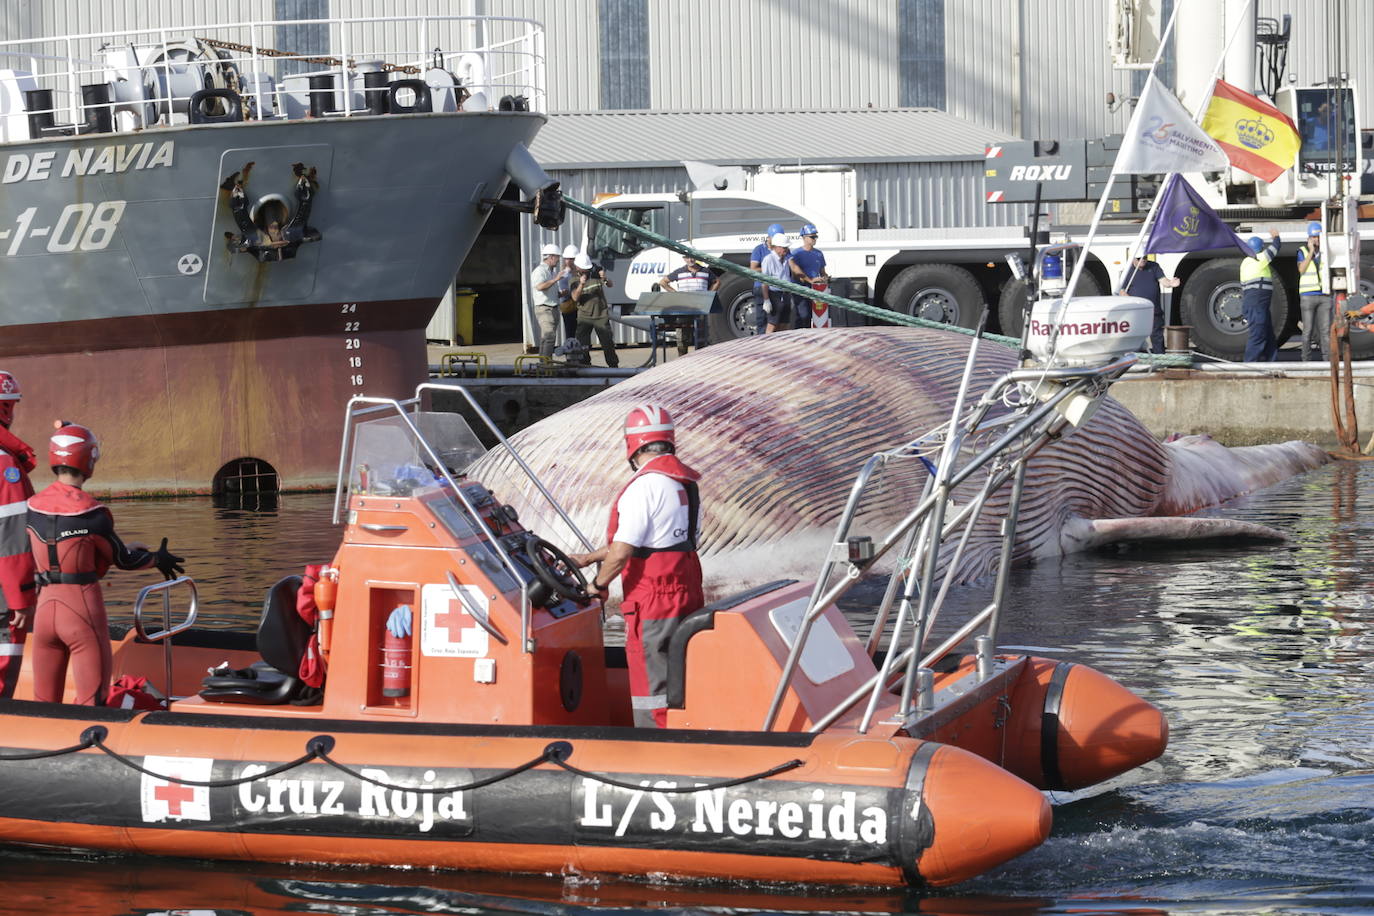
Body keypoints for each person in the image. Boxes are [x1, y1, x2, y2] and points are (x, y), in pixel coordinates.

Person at [26, 422, 183, 705]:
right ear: (90, 459)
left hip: (44, 610)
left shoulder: (32, 507)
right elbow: (123, 559)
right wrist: (158, 559)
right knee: (92, 702)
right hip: (81, 611)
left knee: (43, 705)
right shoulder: (92, 514)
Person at [569, 405, 702, 727]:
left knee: (650, 683)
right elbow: (658, 541)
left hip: (653, 600)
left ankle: (653, 746)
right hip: (685, 591)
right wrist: (588, 558)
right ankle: (683, 735)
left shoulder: (644, 487)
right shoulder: (682, 483)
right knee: (679, 673)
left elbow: (623, 551)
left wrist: (597, 585)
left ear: (632, 446)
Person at [0, 370, 36, 698]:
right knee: (3, 666)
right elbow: (11, 538)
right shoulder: (5, 466)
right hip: (3, 593)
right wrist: (20, 598)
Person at [1117, 253, 1180, 354]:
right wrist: (1133, 301)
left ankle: (1160, 359)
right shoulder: (1127, 271)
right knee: (1136, 336)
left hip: (1154, 310)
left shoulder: (1154, 266)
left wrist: (1171, 283)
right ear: (1133, 259)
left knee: (1157, 336)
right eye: (1139, 258)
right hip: (1137, 312)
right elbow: (1121, 291)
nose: (1143, 260)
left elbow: (1164, 281)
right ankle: (1135, 359)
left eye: (1145, 257)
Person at [660, 254, 718, 354]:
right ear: (684, 259)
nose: (690, 259)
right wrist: (676, 294)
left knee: (702, 335)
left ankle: (702, 358)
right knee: (683, 336)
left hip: (701, 308)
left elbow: (717, 282)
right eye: (687, 257)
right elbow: (663, 282)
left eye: (692, 257)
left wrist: (709, 294)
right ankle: (682, 357)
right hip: (684, 308)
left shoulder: (705, 271)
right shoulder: (679, 272)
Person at [571, 252, 619, 368]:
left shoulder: (595, 274)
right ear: (577, 267)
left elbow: (610, 285)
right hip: (584, 317)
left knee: (607, 343)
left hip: (601, 315)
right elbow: (575, 298)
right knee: (582, 344)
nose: (586, 271)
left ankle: (613, 366)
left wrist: (605, 278)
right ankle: (584, 366)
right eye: (583, 269)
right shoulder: (574, 280)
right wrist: (581, 285)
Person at [1240, 230, 1281, 362]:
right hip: (1257, 304)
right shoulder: (1259, 258)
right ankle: (1250, 366)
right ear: (1260, 248)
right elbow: (1276, 247)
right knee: (1258, 334)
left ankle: (1271, 363)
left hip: (1255, 303)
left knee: (1268, 334)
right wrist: (1276, 236)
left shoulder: (1245, 262)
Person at [1296, 221, 1331, 362]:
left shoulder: (1326, 251)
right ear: (1309, 238)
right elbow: (1301, 269)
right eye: (1313, 237)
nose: (1316, 240)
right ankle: (1306, 360)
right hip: (1308, 297)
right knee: (1308, 331)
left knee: (1325, 331)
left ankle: (1327, 360)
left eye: (1318, 237)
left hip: (1324, 296)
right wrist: (1310, 251)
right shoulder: (1302, 251)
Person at [789, 223, 830, 329]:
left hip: (816, 289)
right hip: (801, 288)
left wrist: (825, 278)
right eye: (812, 237)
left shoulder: (819, 254)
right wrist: (809, 280)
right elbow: (795, 273)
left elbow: (822, 271)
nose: (814, 239)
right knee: (803, 315)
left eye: (816, 236)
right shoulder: (796, 254)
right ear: (804, 237)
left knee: (815, 316)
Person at [530, 242, 567, 358]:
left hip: (552, 308)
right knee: (549, 336)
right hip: (544, 308)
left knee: (546, 337)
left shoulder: (551, 272)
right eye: (557, 258)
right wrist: (556, 279)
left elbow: (549, 291)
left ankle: (543, 364)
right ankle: (546, 365)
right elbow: (540, 287)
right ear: (551, 257)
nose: (558, 260)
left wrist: (560, 294)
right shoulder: (540, 271)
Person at [749, 223, 786, 334]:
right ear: (769, 237)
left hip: (777, 290)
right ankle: (761, 344)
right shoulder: (759, 250)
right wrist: (769, 269)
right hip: (761, 287)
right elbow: (753, 269)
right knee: (763, 320)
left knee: (778, 320)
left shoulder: (783, 250)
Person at [759, 232, 794, 333]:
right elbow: (764, 281)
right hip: (774, 294)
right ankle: (768, 346)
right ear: (777, 247)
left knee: (785, 324)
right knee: (773, 324)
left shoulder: (786, 260)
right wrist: (766, 299)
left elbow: (787, 278)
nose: (786, 250)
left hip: (786, 294)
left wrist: (789, 296)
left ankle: (782, 345)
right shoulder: (768, 259)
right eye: (784, 247)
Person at [558, 244, 580, 341]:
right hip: (569, 306)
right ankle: (571, 353)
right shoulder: (564, 273)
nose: (568, 261)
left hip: (579, 306)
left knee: (579, 333)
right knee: (570, 333)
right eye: (567, 259)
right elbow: (564, 291)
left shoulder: (580, 272)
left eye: (571, 259)